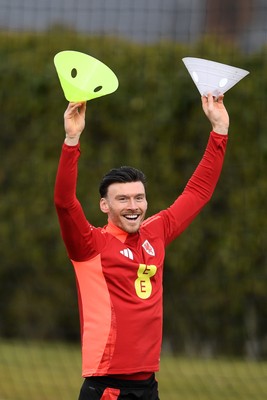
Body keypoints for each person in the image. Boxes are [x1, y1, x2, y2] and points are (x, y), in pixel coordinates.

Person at [54, 93, 229, 400]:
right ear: (104, 205)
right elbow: (64, 203)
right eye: (122, 199)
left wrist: (219, 130)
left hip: (148, 386)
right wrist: (72, 139)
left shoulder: (156, 231)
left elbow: (199, 192)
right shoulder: (89, 245)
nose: (133, 206)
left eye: (139, 197)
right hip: (107, 388)